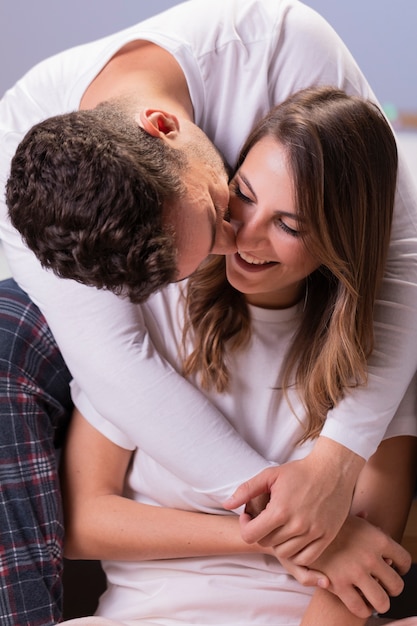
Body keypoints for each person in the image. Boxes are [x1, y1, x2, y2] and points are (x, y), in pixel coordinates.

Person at [0, 1, 417, 623]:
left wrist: (336, 460)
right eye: (240, 201)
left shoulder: (278, 44)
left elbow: (400, 251)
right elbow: (117, 369)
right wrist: (292, 525)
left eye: (227, 207)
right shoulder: (35, 180)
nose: (238, 243)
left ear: (164, 125)